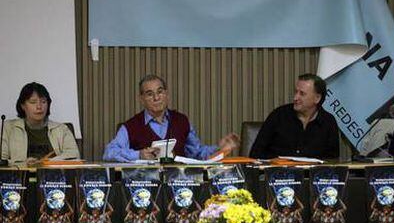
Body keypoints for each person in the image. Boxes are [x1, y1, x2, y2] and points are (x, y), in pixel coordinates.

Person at [103, 74, 239, 162]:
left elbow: (197, 153)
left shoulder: (182, 121)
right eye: (150, 94)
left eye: (160, 92)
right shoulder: (130, 126)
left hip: (180, 185)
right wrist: (139, 155)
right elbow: (109, 152)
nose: (156, 98)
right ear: (141, 99)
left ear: (166, 94)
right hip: (144, 188)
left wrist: (220, 148)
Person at [250, 74, 339, 160]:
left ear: (317, 98)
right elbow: (255, 153)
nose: (295, 97)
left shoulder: (328, 122)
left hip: (312, 174)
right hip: (278, 173)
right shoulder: (279, 115)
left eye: (302, 94)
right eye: (296, 92)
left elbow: (332, 160)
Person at [1, 82, 80, 164]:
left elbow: (74, 155)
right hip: (22, 175)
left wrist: (47, 162)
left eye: (43, 102)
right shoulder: (8, 128)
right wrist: (24, 163)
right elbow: (2, 161)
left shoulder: (61, 129)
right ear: (23, 106)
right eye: (33, 102)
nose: (39, 107)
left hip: (53, 175)